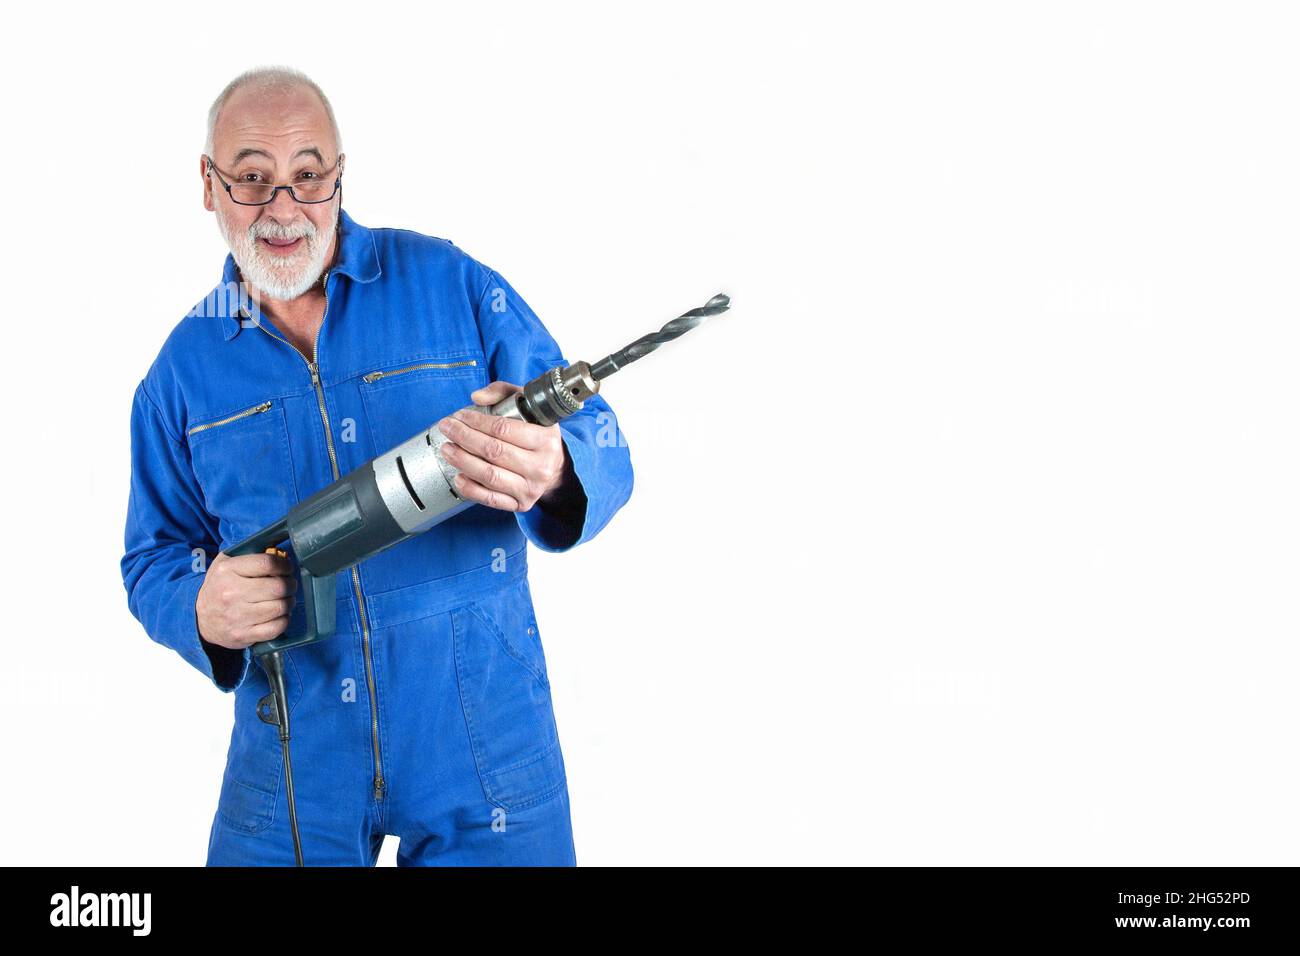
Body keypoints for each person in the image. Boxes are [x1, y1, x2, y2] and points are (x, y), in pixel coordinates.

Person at [120, 66, 634, 866]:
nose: (284, 209)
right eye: (253, 179)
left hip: (483, 738)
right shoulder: (180, 375)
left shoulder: (451, 285)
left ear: (340, 175)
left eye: (308, 176)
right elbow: (152, 558)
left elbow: (599, 433)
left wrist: (556, 464)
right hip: (292, 756)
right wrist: (199, 607)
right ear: (209, 185)